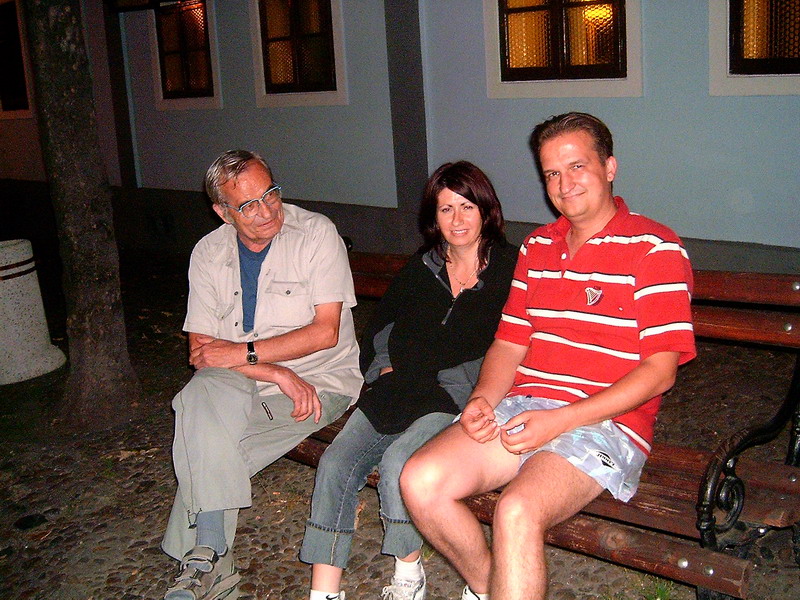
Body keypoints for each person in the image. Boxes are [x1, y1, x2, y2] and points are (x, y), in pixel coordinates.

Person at [400, 113, 697, 600]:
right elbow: (509, 343)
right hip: (525, 407)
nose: (564, 184)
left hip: (606, 422)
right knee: (420, 480)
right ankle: (494, 588)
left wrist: (560, 420)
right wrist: (482, 401)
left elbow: (660, 372)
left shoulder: (654, 248)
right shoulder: (537, 246)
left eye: (577, 166)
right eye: (552, 173)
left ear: (610, 167)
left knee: (516, 510)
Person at [299, 161, 518, 600]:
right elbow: (383, 324)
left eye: (467, 206)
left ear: (486, 210)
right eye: (446, 209)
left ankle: (407, 572)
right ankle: (324, 591)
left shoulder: (511, 269)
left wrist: (465, 383)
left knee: (400, 461)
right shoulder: (423, 267)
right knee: (336, 463)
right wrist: (382, 366)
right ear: (433, 217)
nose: (457, 219)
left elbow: (516, 343)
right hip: (397, 387)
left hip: (453, 397)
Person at [161, 150, 362, 600]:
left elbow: (325, 332)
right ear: (223, 212)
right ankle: (212, 559)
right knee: (202, 395)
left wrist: (255, 361)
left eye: (270, 193)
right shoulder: (208, 253)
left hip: (317, 381)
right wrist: (272, 370)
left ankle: (206, 558)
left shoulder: (316, 233)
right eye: (248, 205)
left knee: (204, 439)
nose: (267, 210)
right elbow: (201, 353)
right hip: (245, 379)